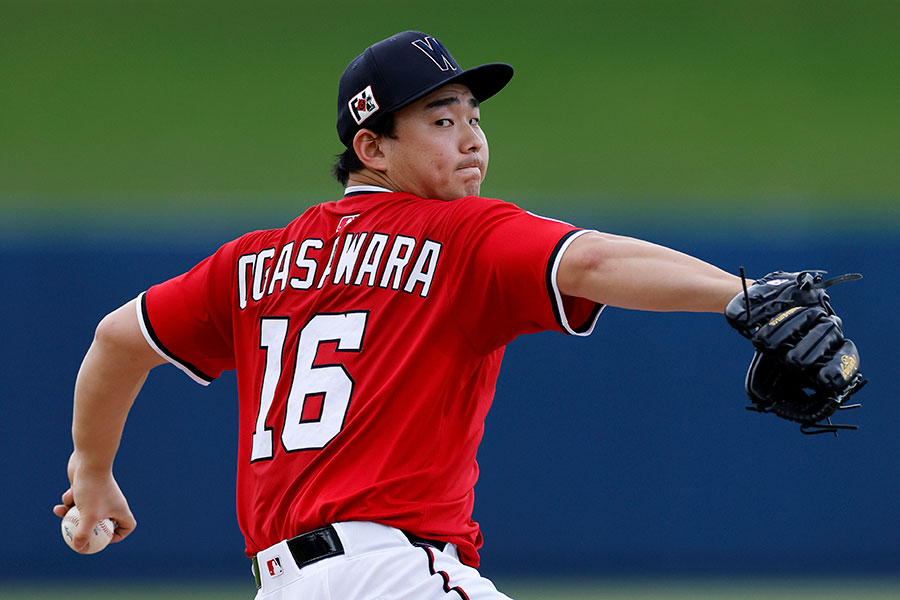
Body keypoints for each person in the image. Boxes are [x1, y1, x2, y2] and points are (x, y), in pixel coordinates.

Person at [54, 31, 743, 599]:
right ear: (372, 149)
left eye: (474, 117)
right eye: (442, 121)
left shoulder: (250, 263)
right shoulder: (459, 234)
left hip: (282, 584)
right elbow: (590, 262)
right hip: (395, 573)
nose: (473, 140)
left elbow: (117, 338)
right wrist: (741, 293)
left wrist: (92, 470)